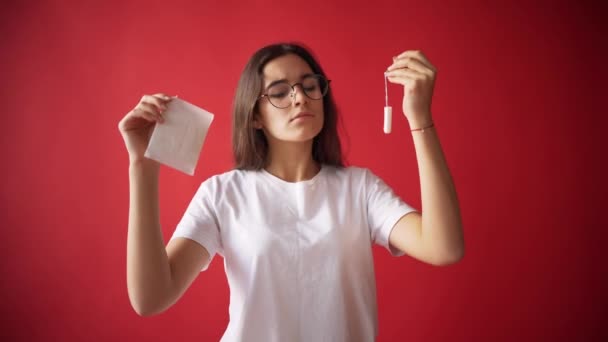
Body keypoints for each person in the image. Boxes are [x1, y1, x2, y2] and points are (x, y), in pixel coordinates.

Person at [118, 42, 464, 341]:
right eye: (280, 92)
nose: (299, 98)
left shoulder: (360, 188)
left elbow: (443, 247)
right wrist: (142, 166)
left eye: (309, 85)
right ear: (255, 116)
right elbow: (151, 297)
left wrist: (420, 119)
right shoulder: (223, 194)